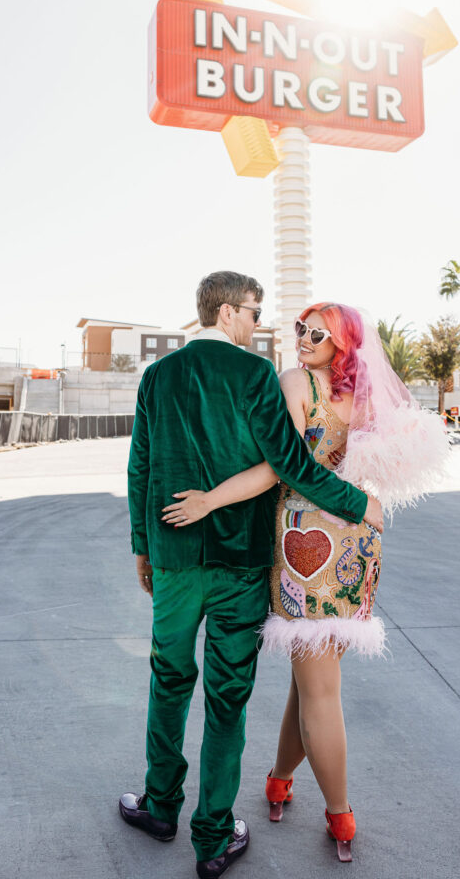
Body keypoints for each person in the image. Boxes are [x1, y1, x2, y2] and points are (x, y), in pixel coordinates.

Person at [164, 302, 449, 863]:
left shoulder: (296, 382)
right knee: (311, 676)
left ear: (342, 342)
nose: (303, 338)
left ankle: (340, 814)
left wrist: (210, 500)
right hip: (357, 543)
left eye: (318, 333)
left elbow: (282, 465)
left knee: (319, 688)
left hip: (303, 545)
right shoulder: (362, 396)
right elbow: (379, 460)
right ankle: (278, 780)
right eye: (300, 329)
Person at [120, 274, 383, 879]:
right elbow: (288, 462)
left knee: (169, 679)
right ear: (230, 310)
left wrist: (143, 548)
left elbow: (140, 465)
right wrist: (355, 504)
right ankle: (213, 838)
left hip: (174, 555)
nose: (259, 324)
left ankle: (160, 806)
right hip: (240, 561)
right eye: (256, 312)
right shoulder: (254, 375)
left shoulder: (157, 377)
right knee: (227, 695)